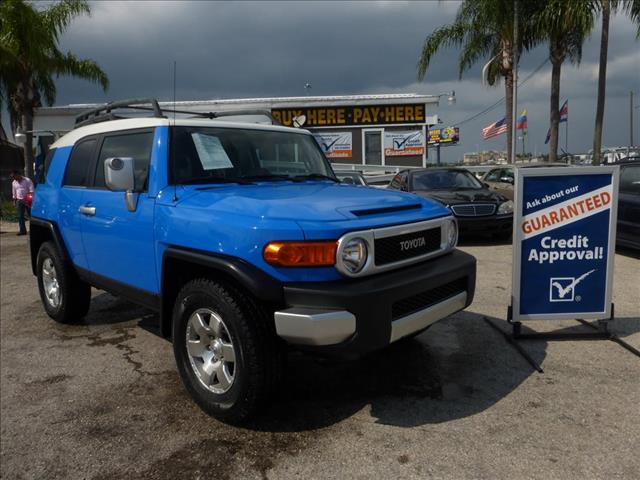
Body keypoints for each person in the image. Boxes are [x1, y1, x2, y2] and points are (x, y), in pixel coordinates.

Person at [10, 170, 34, 236]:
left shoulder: (27, 180)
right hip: (19, 201)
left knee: (31, 216)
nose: (14, 178)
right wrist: (14, 201)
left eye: (14, 176)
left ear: (18, 174)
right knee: (20, 216)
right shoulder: (14, 182)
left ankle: (34, 230)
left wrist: (28, 199)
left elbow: (31, 190)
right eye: (12, 177)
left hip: (28, 200)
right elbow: (14, 193)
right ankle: (22, 230)